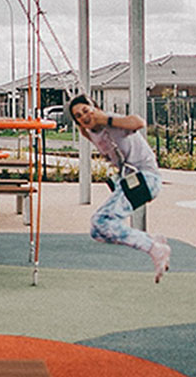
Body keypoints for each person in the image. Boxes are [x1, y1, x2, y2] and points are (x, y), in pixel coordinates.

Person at [67, 93, 171, 282]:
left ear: (95, 108)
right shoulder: (89, 132)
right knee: (97, 232)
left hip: (147, 178)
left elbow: (139, 122)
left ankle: (154, 248)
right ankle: (152, 240)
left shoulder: (113, 122)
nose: (84, 116)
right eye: (79, 116)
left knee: (101, 220)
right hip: (130, 182)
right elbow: (87, 130)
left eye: (86, 110)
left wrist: (105, 118)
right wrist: (87, 124)